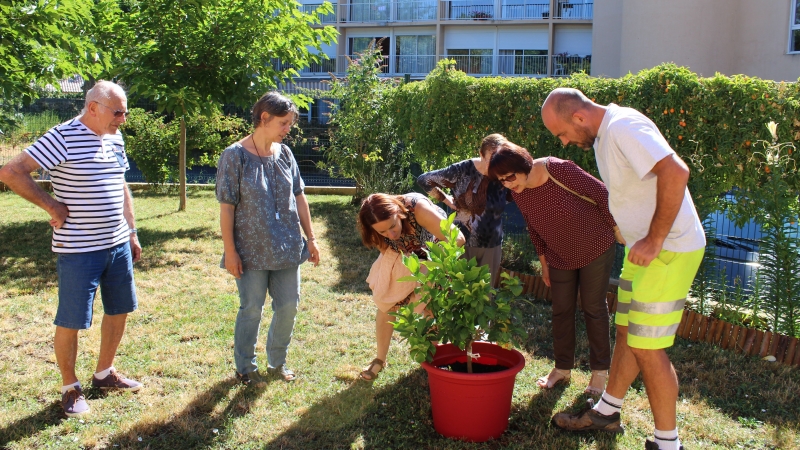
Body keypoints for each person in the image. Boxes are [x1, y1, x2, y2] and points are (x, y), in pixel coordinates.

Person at [542, 88, 705, 450]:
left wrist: (655, 239)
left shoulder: (624, 126)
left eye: (563, 133)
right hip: (642, 251)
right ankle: (607, 411)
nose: (564, 142)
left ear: (579, 117)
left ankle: (668, 444)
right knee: (630, 331)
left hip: (668, 250)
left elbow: (676, 172)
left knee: (648, 347)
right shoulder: (603, 135)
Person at [0, 81, 143, 417]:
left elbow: (120, 185)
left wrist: (132, 231)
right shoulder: (62, 136)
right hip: (79, 248)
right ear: (93, 107)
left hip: (118, 242)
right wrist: (52, 205)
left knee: (119, 308)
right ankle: (70, 387)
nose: (122, 119)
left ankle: (105, 374)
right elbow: (11, 172)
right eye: (117, 111)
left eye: (125, 112)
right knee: (72, 319)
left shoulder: (113, 136)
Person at [488, 140, 622, 396]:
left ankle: (599, 373)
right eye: (501, 180)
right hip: (559, 256)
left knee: (594, 308)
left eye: (510, 176)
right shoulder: (518, 191)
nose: (508, 183)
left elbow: (601, 192)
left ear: (524, 164)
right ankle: (562, 368)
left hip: (595, 246)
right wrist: (543, 261)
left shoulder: (558, 169)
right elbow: (533, 226)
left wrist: (615, 228)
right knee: (561, 311)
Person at [216, 91, 321, 385]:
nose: (288, 129)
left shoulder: (285, 154)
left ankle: (277, 362)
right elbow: (227, 208)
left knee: (288, 306)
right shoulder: (234, 156)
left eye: (289, 123)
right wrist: (230, 251)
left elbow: (299, 197)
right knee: (251, 308)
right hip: (250, 251)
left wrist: (310, 238)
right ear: (264, 118)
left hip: (287, 247)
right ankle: (245, 367)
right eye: (284, 123)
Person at [356, 192, 465, 381]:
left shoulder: (419, 209)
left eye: (392, 226)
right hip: (405, 256)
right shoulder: (375, 227)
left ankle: (430, 362)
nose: (390, 234)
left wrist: (429, 271)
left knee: (432, 310)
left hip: (436, 255)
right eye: (383, 232)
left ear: (399, 212)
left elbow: (458, 239)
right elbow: (386, 245)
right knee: (387, 303)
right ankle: (379, 360)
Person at [417, 133, 510, 287]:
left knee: (485, 296)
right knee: (458, 292)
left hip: (492, 245)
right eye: (491, 158)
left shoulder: (505, 172)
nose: (496, 164)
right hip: (462, 242)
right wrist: (445, 198)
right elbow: (424, 180)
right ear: (481, 154)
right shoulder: (463, 170)